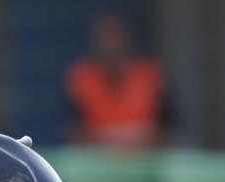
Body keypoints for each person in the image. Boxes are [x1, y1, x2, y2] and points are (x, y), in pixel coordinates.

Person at [65, 13, 174, 149]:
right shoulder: (82, 78)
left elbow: (170, 130)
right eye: (106, 37)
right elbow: (74, 133)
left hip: (147, 162)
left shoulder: (151, 76)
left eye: (116, 36)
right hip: (97, 163)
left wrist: (138, 142)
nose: (112, 44)